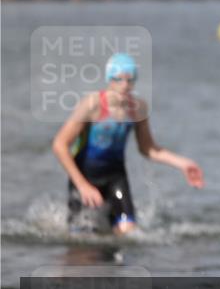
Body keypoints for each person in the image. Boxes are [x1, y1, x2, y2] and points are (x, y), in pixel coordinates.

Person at [52, 52, 204, 235]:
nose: (125, 86)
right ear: (109, 79)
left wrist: (183, 163)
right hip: (84, 177)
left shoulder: (138, 109)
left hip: (116, 177)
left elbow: (148, 148)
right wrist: (82, 185)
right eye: (118, 80)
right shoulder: (92, 105)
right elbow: (60, 144)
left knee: (129, 232)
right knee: (84, 243)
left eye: (130, 81)